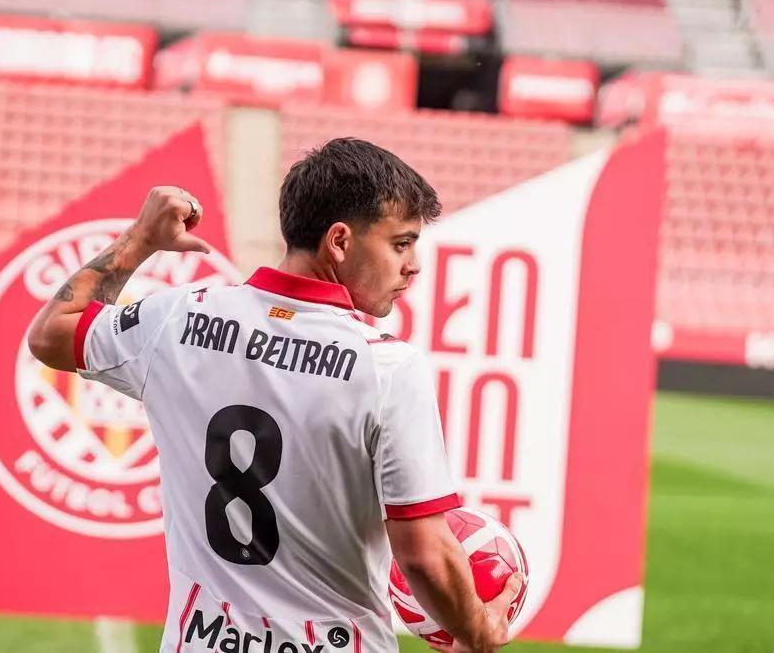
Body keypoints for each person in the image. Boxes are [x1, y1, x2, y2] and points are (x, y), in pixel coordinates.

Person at [28, 138, 523, 653]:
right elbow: (423, 555)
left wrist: (140, 239)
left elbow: (52, 333)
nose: (413, 265)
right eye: (401, 244)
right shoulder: (387, 368)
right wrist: (479, 631)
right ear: (339, 241)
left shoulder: (176, 320)